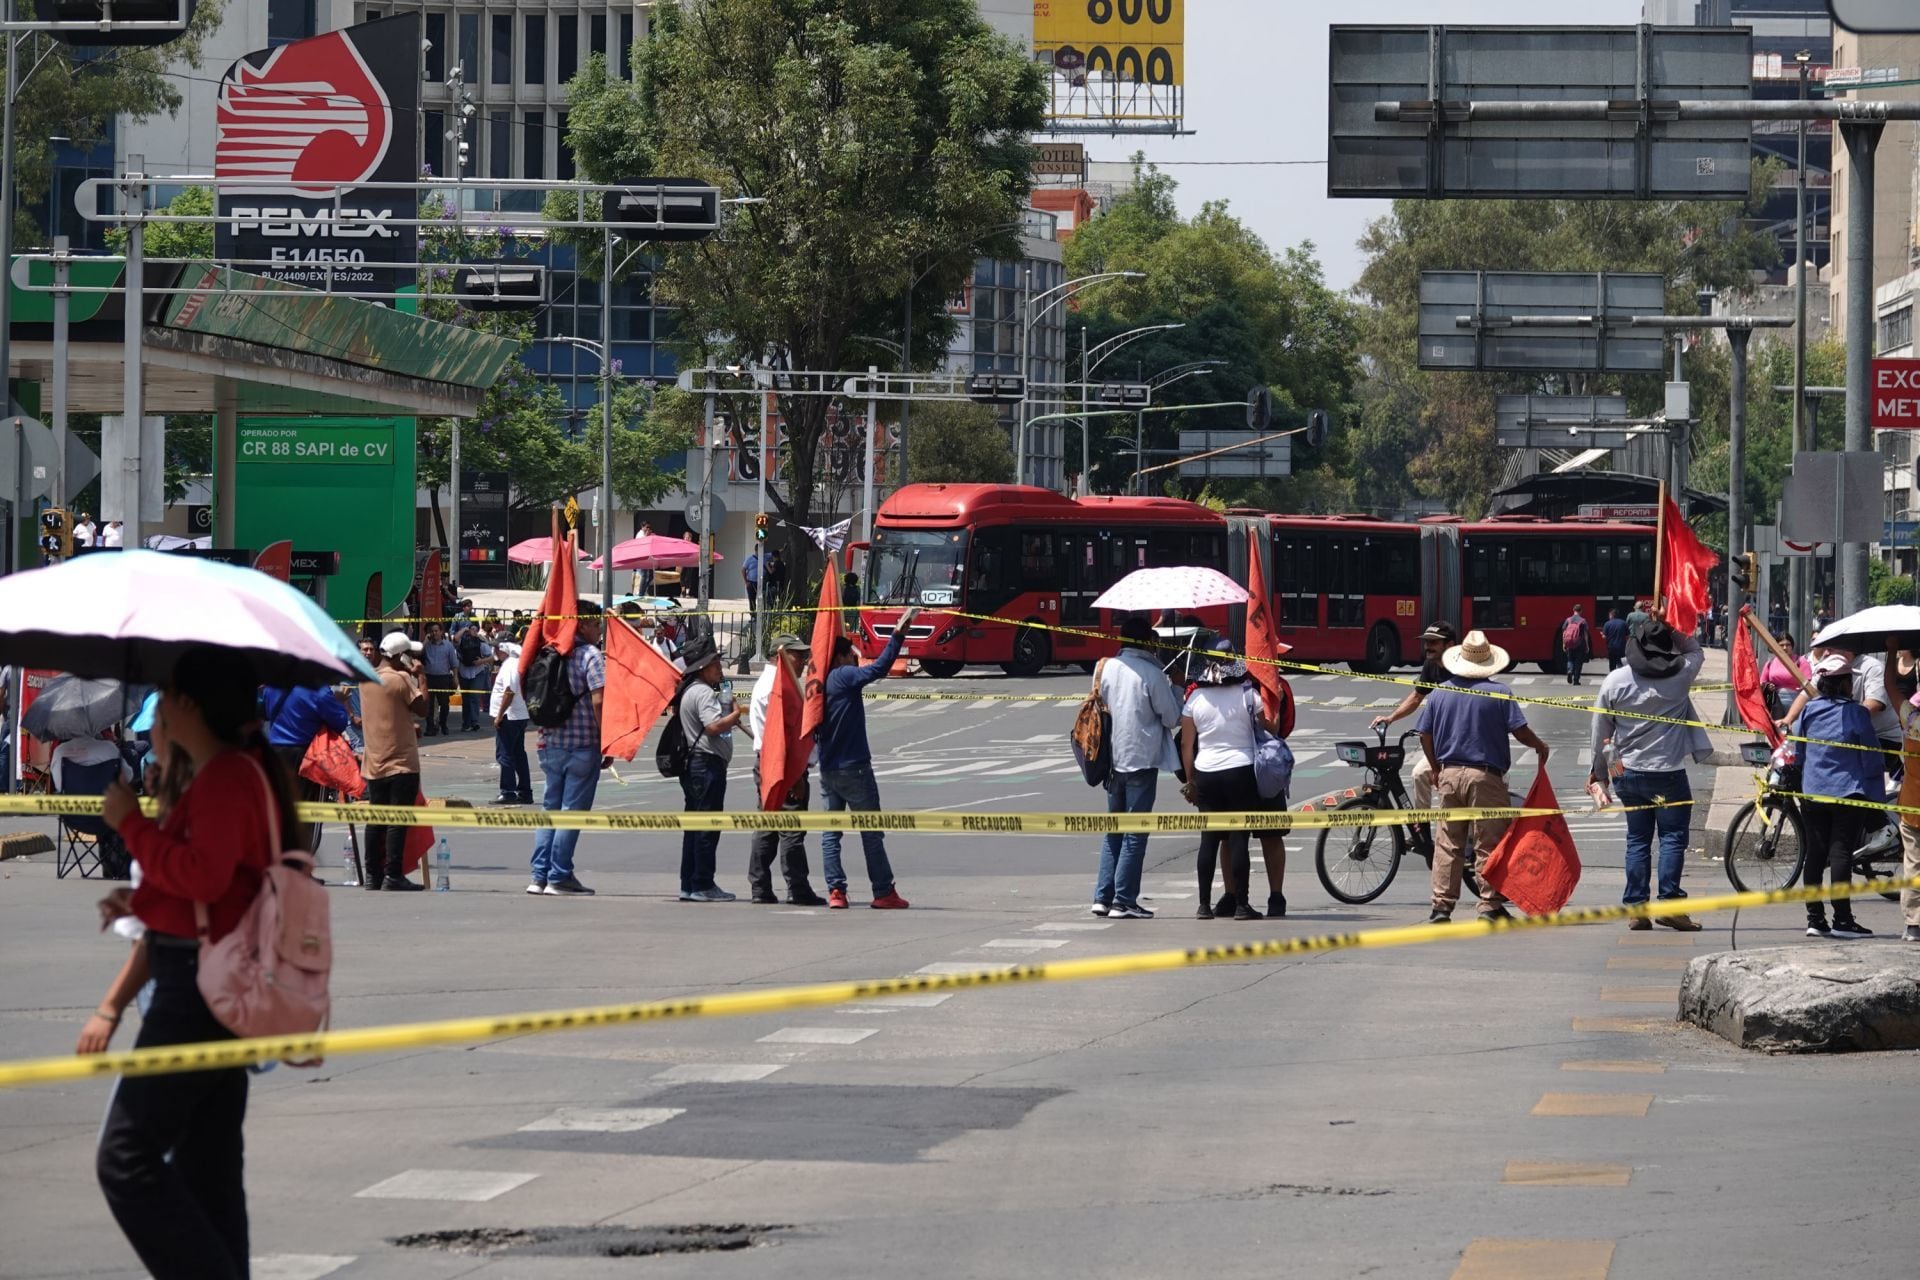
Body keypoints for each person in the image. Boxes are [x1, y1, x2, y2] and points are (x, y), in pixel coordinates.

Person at [93, 646, 300, 1279]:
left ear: (190, 704)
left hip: (198, 989)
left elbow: (205, 879)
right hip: (210, 976)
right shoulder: (227, 772)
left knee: (126, 1158)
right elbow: (208, 885)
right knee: (207, 1168)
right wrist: (139, 897)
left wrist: (130, 826)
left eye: (165, 699)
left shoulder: (226, 777)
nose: (157, 713)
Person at [1416, 630, 1550, 924]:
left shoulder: (1439, 693)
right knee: (1487, 842)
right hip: (1485, 777)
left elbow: (1424, 734)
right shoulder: (1499, 693)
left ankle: (1441, 906)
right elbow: (1520, 731)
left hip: (1450, 773)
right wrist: (1539, 746)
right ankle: (1489, 905)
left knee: (1448, 843)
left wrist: (1436, 768)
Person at [1588, 613, 1708, 932]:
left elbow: (1600, 732)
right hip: (1668, 774)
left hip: (1627, 772)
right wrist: (1670, 627)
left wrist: (1599, 773)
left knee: (1637, 839)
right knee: (1672, 838)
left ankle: (1637, 909)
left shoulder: (1616, 680)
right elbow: (1695, 649)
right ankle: (1669, 906)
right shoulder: (1681, 674)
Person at [818, 607, 920, 909]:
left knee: (830, 833)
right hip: (854, 768)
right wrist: (897, 636)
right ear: (840, 657)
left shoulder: (819, 681)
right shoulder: (843, 675)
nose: (855, 659)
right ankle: (883, 891)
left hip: (828, 768)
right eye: (852, 654)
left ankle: (836, 891)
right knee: (871, 832)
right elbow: (877, 669)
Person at [1089, 613, 1182, 920]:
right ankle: (1124, 900)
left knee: (1113, 831)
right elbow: (1172, 717)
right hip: (1141, 759)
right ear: (1148, 643)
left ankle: (1102, 897)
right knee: (1135, 834)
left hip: (1111, 760)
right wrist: (1177, 688)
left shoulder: (1105, 667)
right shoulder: (1152, 674)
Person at [1787, 653, 1882, 940]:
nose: (1852, 684)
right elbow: (1872, 757)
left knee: (1815, 854)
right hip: (1847, 792)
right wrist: (1875, 796)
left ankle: (1815, 919)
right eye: (1849, 680)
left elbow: (1798, 750)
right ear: (1843, 684)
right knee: (1840, 854)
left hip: (1813, 791)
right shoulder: (1856, 713)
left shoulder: (1809, 710)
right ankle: (1843, 919)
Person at [1177, 642, 1271, 921]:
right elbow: (1270, 728)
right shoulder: (1249, 694)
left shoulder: (1195, 699)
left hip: (1206, 772)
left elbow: (1186, 744)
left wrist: (1190, 781)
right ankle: (1242, 904)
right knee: (1239, 838)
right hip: (1241, 770)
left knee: (1208, 840)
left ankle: (1204, 905)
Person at [528, 601, 607, 897]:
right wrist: (605, 738)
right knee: (571, 812)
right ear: (582, 624)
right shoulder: (590, 655)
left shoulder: (549, 651)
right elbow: (599, 700)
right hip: (582, 744)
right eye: (596, 624)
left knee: (550, 809)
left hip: (550, 743)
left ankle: (539, 876)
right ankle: (559, 876)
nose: (599, 631)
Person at [748, 633, 825, 906]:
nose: (803, 661)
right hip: (783, 765)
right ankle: (797, 887)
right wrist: (794, 778)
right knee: (790, 828)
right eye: (798, 655)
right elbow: (781, 737)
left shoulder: (773, 683)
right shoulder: (776, 688)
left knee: (768, 826)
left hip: (772, 762)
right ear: (781, 654)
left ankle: (760, 886)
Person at [358, 632, 429, 891]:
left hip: (375, 761)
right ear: (401, 656)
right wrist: (420, 676)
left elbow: (390, 711)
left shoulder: (366, 678)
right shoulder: (400, 679)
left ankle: (372, 875)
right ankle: (393, 874)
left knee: (376, 819)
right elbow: (423, 709)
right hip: (401, 762)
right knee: (397, 820)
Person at [675, 637, 743, 903]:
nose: (720, 668)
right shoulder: (702, 692)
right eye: (715, 663)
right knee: (707, 826)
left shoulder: (692, 690)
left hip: (697, 765)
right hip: (706, 765)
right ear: (703, 667)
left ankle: (689, 882)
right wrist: (734, 715)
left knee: (695, 826)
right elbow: (713, 726)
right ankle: (702, 882)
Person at [1370, 621, 1459, 810]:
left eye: (1434, 642)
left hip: (1462, 744)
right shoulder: (1431, 665)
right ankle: (1422, 826)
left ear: (1450, 645)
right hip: (1442, 742)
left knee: (1449, 787)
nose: (1427, 647)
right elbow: (1417, 696)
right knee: (1419, 775)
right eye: (1426, 642)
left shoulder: (1463, 668)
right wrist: (1391, 718)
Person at [261, 680, 351, 854]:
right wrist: (339, 701)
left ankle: (282, 856)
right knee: (308, 812)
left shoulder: (273, 685)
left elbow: (265, 711)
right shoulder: (317, 689)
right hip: (306, 755)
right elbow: (339, 721)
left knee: (281, 809)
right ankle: (302, 859)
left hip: (276, 753)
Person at [1885, 640, 1920, 943]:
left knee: (1913, 863)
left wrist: (1890, 651)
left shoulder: (1911, 718)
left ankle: (1913, 924)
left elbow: (1889, 685)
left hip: (1911, 805)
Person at [489, 638, 532, 805]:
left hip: (510, 716)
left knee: (505, 754)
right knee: (518, 754)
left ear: (503, 649)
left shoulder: (510, 665)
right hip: (517, 716)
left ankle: (508, 792)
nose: (494, 652)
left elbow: (509, 691)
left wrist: (499, 715)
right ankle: (524, 792)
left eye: (496, 649)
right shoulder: (514, 663)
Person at [418, 624, 458, 736]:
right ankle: (430, 727)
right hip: (429, 677)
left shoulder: (448, 646)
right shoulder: (426, 645)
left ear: (441, 632)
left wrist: (455, 677)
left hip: (443, 678)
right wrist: (425, 641)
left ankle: (443, 724)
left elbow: (454, 663)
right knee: (429, 704)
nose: (434, 633)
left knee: (444, 704)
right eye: (432, 631)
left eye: (436, 631)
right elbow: (417, 653)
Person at [1760, 633, 1811, 719]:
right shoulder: (1770, 663)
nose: (1785, 648)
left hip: (1797, 701)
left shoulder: (1801, 661)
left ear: (1792, 646)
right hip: (1775, 703)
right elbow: (1762, 682)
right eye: (1781, 645)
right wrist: (1768, 686)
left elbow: (1808, 682)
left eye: (1788, 645)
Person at [455, 622, 493, 733]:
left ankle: (474, 722)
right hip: (463, 673)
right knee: (466, 699)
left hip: (478, 673)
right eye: (471, 629)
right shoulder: (461, 642)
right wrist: (464, 629)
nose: (473, 632)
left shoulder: (481, 643)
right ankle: (466, 723)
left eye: (475, 630)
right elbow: (455, 638)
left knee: (474, 697)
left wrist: (481, 661)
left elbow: (491, 657)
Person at [1559, 603, 1592, 685]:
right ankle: (1576, 680)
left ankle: (1570, 671)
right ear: (1581, 611)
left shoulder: (1568, 620)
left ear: (1573, 610)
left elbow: (1564, 632)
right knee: (1578, 662)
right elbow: (1585, 634)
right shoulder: (1583, 621)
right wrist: (1587, 645)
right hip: (1579, 644)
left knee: (1570, 659)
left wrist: (1564, 643)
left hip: (1569, 643)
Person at [1601, 607, 1630, 672]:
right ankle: (1621, 674)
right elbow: (1628, 636)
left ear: (1611, 615)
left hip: (1611, 647)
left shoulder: (1607, 623)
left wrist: (1602, 634)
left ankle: (1612, 674)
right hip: (1621, 646)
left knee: (1612, 663)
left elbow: (1604, 637)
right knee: (1621, 662)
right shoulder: (1623, 623)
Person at [741, 547, 762, 615]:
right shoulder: (749, 559)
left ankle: (761, 615)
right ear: (756, 550)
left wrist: (783, 549)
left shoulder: (764, 557)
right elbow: (743, 570)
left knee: (762, 599)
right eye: (759, 550)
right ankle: (753, 615)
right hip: (751, 582)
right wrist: (746, 582)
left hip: (761, 582)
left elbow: (773, 553)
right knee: (752, 599)